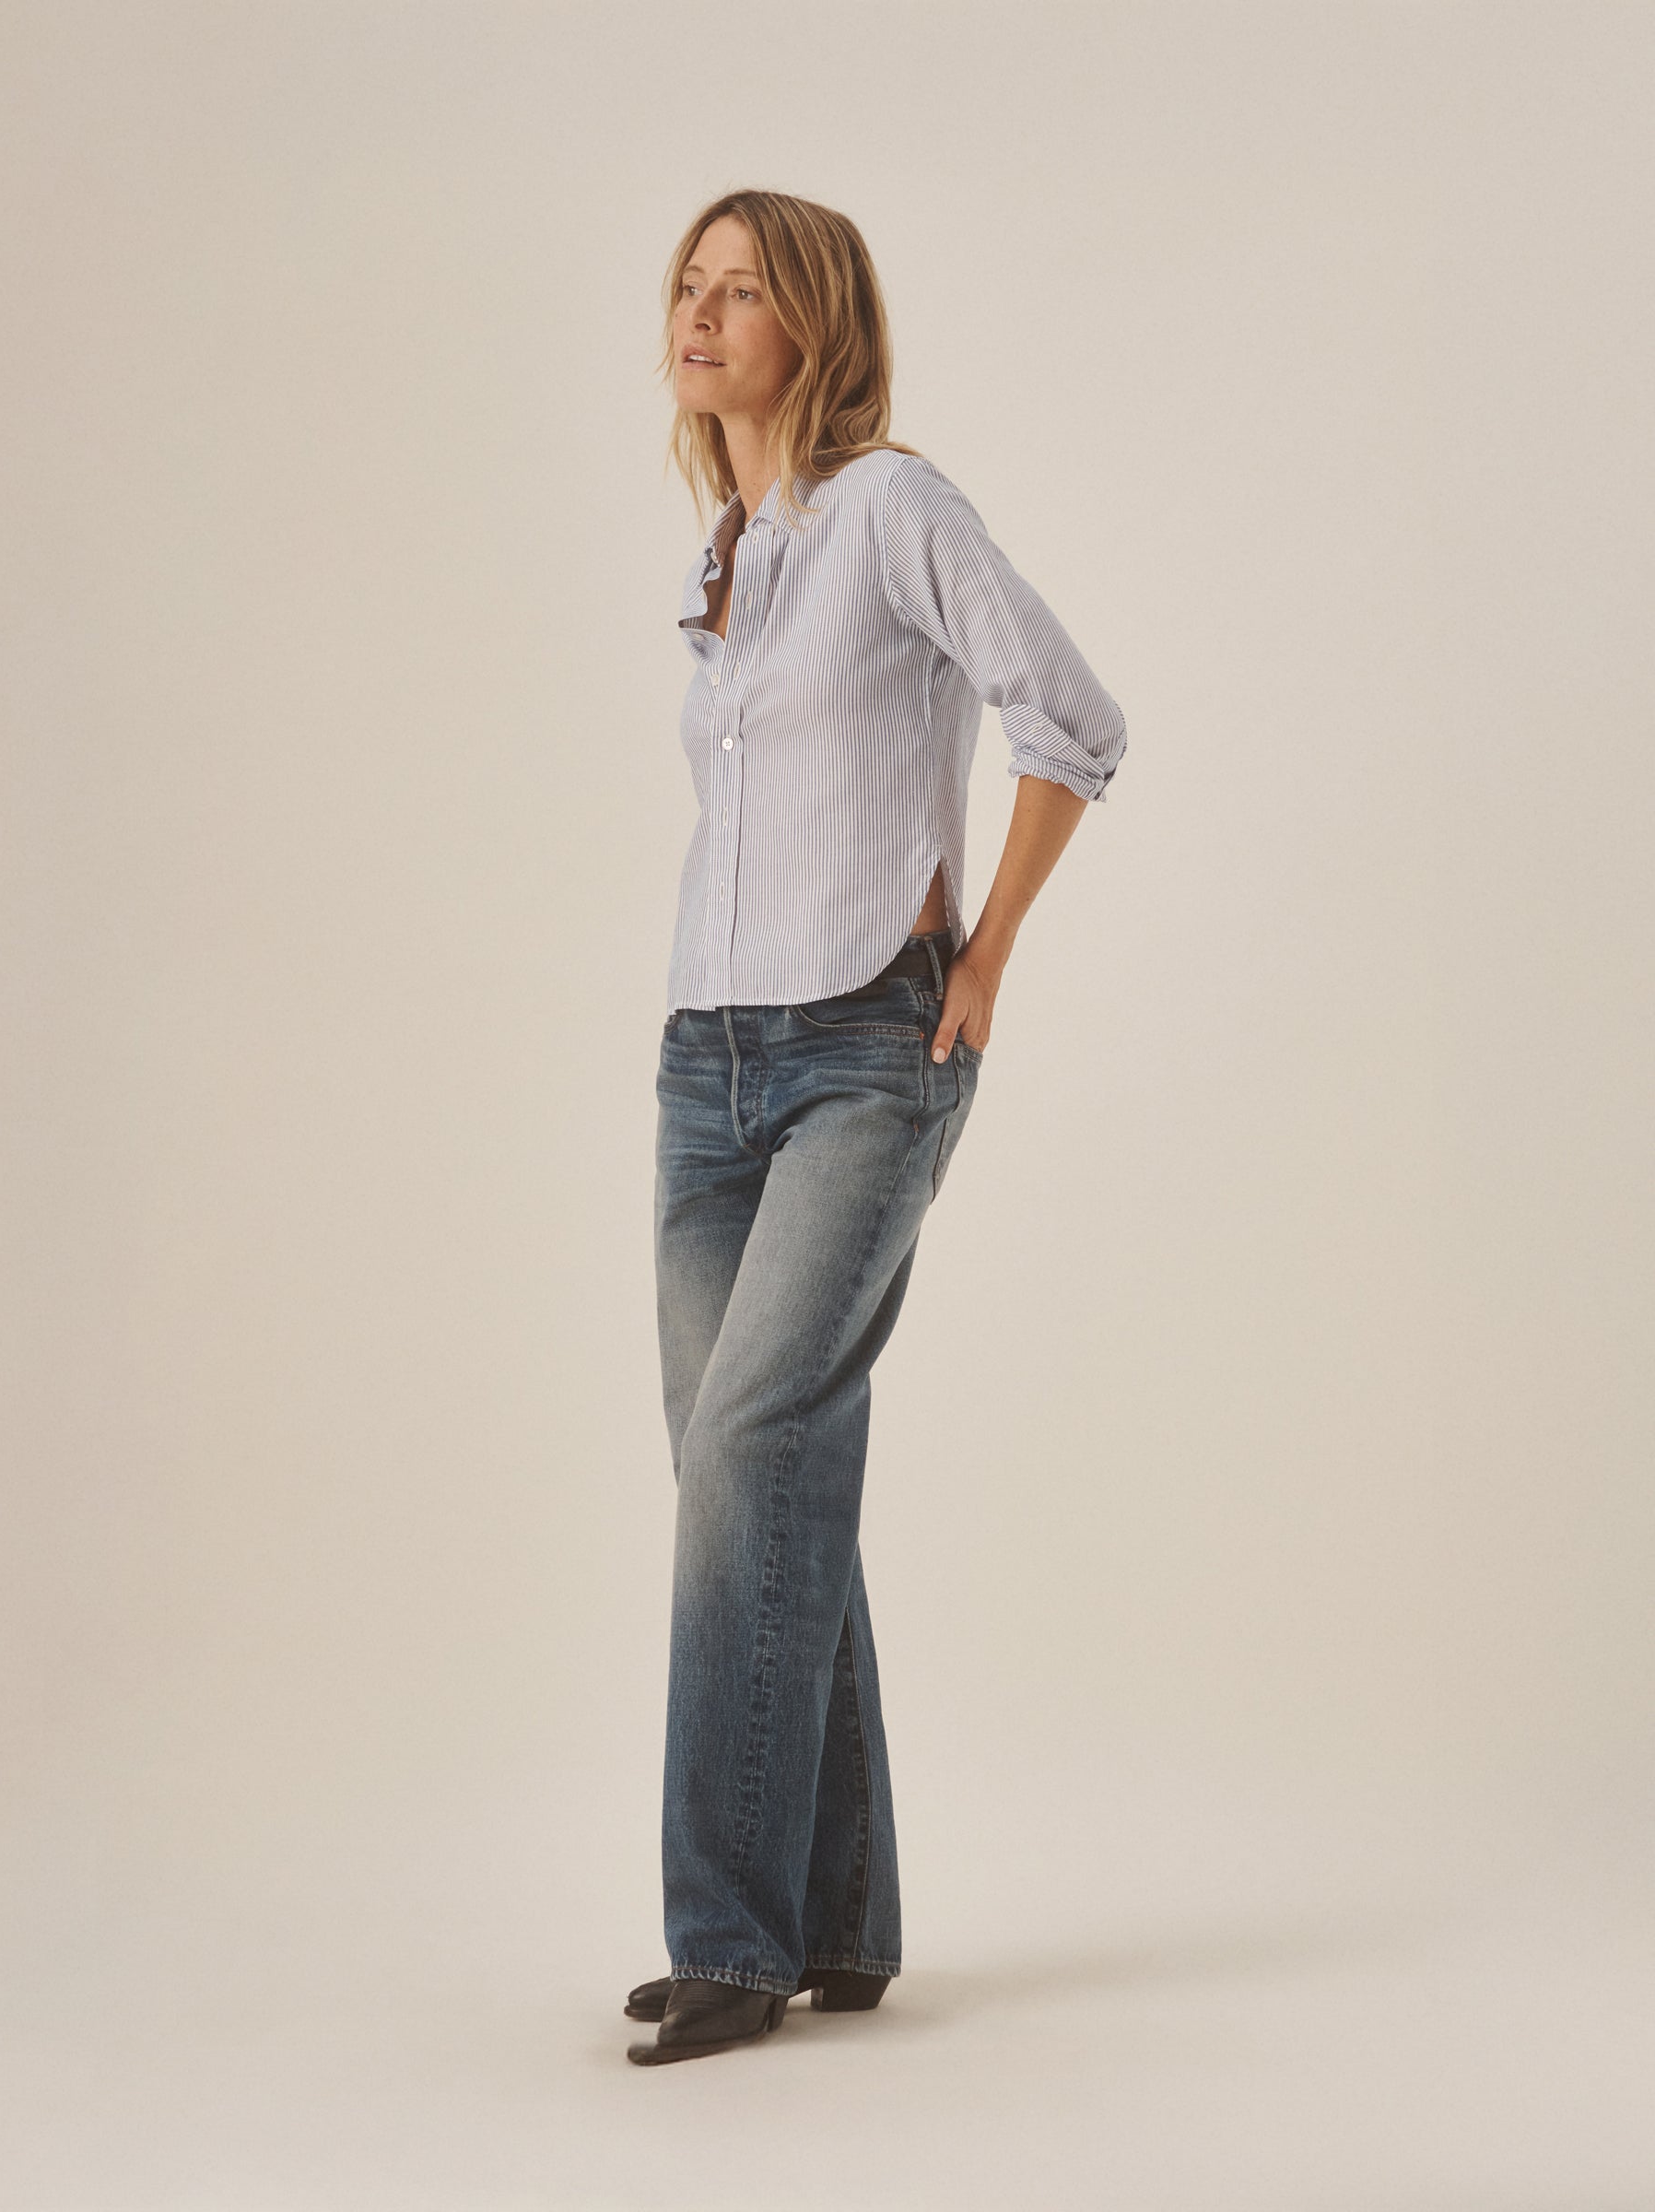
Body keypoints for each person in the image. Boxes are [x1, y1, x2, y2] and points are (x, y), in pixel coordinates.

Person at [626, 189, 1128, 2066]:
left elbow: (1071, 718)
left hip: (865, 1046)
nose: (700, 314)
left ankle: (728, 1938)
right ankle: (841, 1921)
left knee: (748, 1446)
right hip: (708, 1062)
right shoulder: (732, 552)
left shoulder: (893, 510)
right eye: (688, 284)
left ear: (815, 324)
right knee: (754, 1475)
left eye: (742, 290)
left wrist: (985, 955)